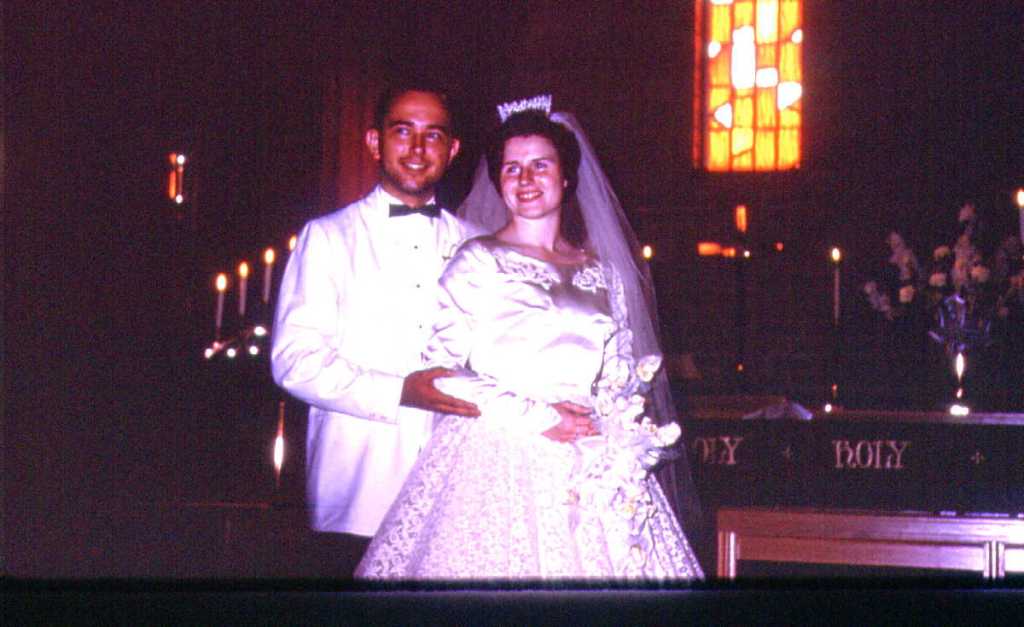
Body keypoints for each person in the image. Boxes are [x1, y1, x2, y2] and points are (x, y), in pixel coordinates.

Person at [355, 106, 703, 579]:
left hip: (590, 456)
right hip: (498, 452)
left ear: (566, 177)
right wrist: (540, 417)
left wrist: (612, 430)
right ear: (498, 182)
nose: (525, 179)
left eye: (540, 165)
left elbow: (619, 372)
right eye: (512, 168)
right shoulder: (478, 260)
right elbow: (439, 374)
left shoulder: (602, 273)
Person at [271, 85, 480, 575]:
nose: (417, 148)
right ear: (374, 142)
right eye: (402, 131)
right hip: (357, 494)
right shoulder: (328, 237)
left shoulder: (478, 246)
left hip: (456, 495)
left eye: (433, 135)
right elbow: (294, 360)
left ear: (452, 150)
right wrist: (399, 392)